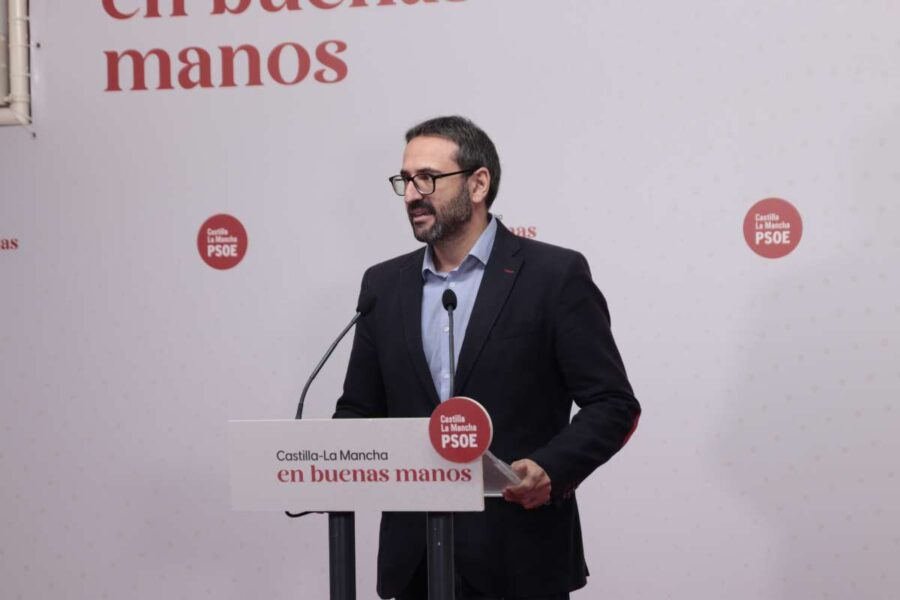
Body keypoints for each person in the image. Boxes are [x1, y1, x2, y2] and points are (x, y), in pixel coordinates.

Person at [334, 115, 640, 600]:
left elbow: (613, 404)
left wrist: (550, 468)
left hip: (519, 553)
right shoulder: (383, 285)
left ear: (478, 184)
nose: (411, 194)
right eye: (405, 180)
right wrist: (323, 459)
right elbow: (357, 410)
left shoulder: (553, 275)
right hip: (414, 560)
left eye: (427, 178)